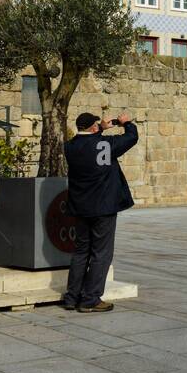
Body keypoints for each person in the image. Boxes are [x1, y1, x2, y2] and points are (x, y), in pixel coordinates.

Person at [62, 111, 138, 313]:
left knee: (80, 252)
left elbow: (89, 145)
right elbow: (131, 138)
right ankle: (90, 299)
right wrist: (126, 123)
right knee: (101, 253)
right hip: (103, 207)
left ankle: (72, 297)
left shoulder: (69, 147)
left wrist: (99, 129)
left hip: (80, 207)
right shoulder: (104, 145)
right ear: (94, 128)